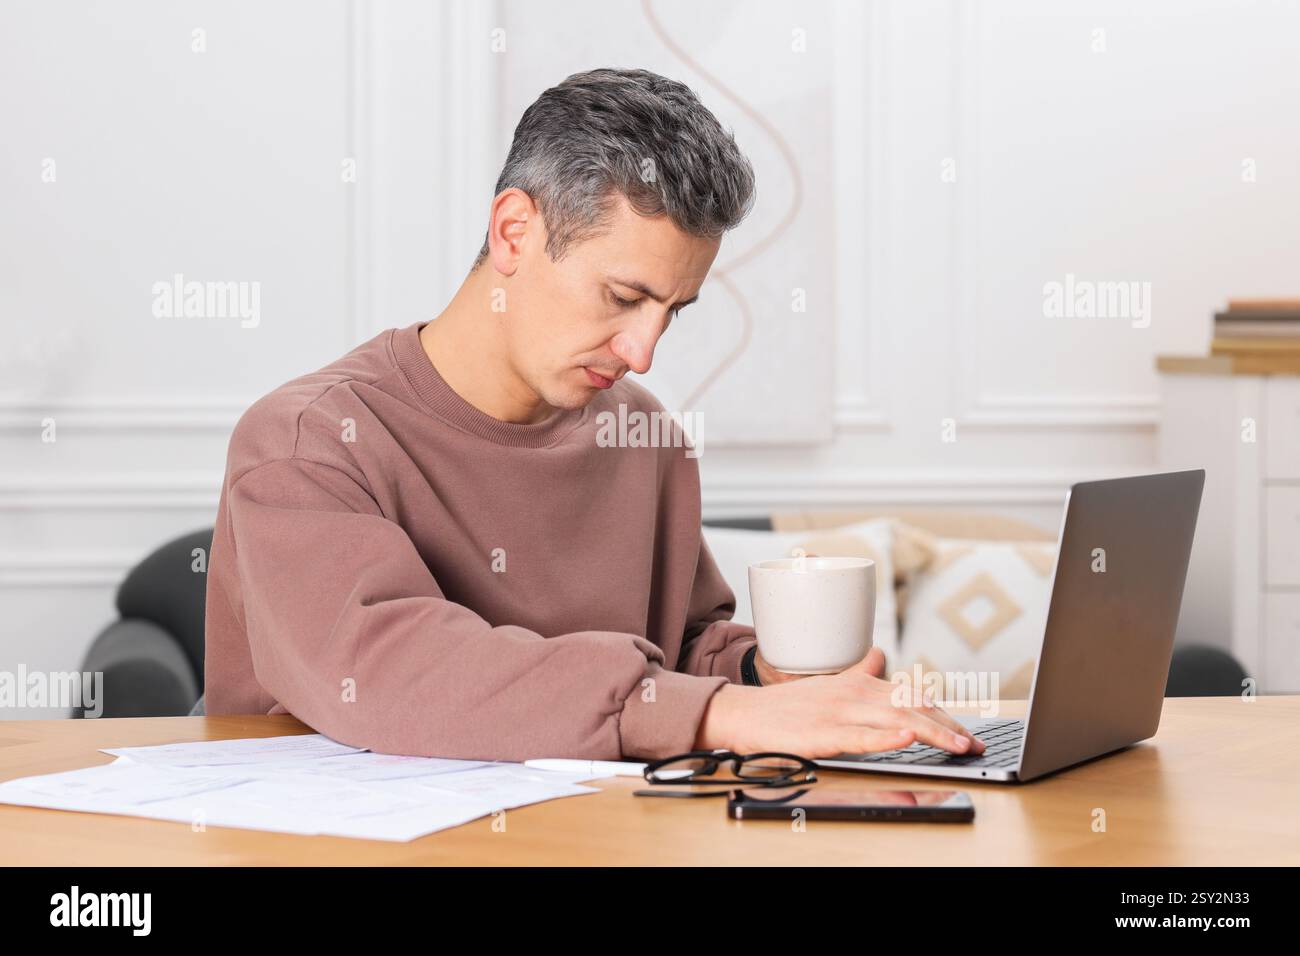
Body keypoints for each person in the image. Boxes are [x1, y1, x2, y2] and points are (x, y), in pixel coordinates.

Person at [204, 67, 985, 762]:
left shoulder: (641, 433)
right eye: (623, 297)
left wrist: (759, 672)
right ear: (514, 231)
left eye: (671, 312)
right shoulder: (306, 442)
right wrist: (724, 714)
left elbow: (680, 646)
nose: (643, 351)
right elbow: (386, 668)